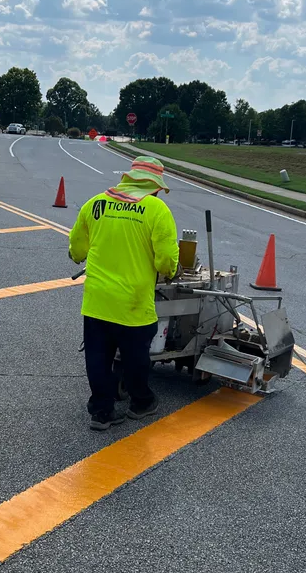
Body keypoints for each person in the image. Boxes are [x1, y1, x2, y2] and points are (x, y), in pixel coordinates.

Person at [69, 156, 179, 431]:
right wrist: (170, 270)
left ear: (128, 179)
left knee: (97, 356)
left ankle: (101, 411)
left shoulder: (94, 204)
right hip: (133, 302)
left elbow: (77, 250)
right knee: (135, 357)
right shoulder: (156, 209)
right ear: (154, 186)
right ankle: (141, 402)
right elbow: (166, 261)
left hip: (97, 300)